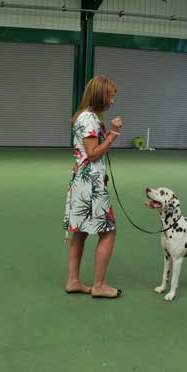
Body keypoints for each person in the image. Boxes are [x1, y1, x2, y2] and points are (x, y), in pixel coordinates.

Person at [63, 75, 123, 299]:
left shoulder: (85, 117)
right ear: (100, 96)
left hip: (82, 180)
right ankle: (99, 285)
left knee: (79, 233)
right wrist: (113, 134)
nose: (112, 101)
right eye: (111, 96)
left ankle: (73, 281)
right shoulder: (89, 119)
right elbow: (93, 154)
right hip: (90, 185)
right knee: (108, 232)